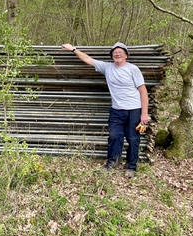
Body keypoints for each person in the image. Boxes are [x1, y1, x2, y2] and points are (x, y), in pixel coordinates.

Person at [61, 42, 149, 178]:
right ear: (112, 55)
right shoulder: (107, 67)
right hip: (116, 110)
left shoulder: (133, 69)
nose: (117, 53)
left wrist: (144, 113)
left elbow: (143, 91)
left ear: (126, 55)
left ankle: (131, 166)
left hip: (134, 110)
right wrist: (73, 49)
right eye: (115, 52)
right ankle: (112, 163)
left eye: (120, 52)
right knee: (114, 136)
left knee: (133, 138)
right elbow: (88, 59)